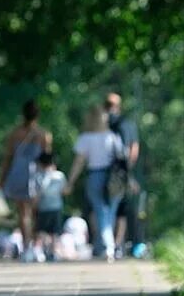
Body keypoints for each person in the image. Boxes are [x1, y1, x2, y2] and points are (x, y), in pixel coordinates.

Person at [64, 105, 125, 262]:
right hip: (114, 178)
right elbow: (122, 161)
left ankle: (107, 246)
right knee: (109, 213)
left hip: (95, 176)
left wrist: (70, 182)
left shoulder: (86, 138)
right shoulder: (113, 136)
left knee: (101, 213)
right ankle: (105, 246)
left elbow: (79, 162)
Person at [0, 100, 52, 262]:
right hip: (35, 176)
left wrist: (1, 179)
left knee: (22, 212)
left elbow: (8, 158)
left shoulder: (15, 134)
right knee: (35, 212)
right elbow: (47, 158)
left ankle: (27, 246)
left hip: (18, 174)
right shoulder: (43, 135)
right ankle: (35, 246)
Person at [106, 93, 145, 258]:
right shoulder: (110, 124)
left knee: (118, 209)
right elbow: (134, 149)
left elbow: (133, 148)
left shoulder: (123, 125)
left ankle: (115, 244)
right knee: (113, 209)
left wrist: (127, 171)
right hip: (113, 172)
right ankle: (112, 244)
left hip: (117, 172)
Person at [33, 152, 66, 260]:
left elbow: (37, 193)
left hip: (43, 207)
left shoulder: (38, 176)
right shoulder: (59, 175)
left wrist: (34, 206)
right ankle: (53, 251)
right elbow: (65, 190)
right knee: (54, 231)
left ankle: (39, 251)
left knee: (40, 230)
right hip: (57, 206)